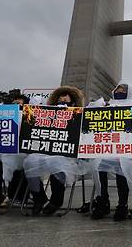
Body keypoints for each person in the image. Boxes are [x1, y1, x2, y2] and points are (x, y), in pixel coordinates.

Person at [23, 86, 84, 216]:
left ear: (72, 101)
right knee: (29, 162)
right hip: (44, 150)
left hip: (65, 153)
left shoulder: (79, 114)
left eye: (66, 96)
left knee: (57, 163)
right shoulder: (46, 112)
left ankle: (56, 200)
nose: (62, 98)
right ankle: (39, 198)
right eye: (60, 96)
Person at [89, 81, 132, 221]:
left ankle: (122, 205)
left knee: (122, 165)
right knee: (97, 164)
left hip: (127, 151)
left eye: (123, 89)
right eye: (117, 89)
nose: (119, 91)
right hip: (107, 148)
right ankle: (102, 200)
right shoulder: (107, 106)